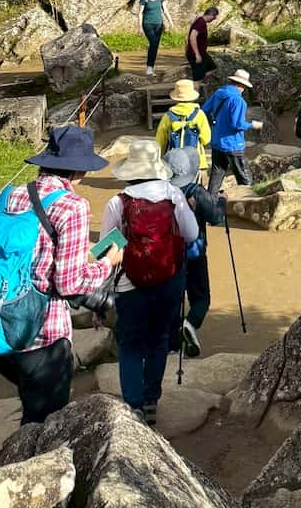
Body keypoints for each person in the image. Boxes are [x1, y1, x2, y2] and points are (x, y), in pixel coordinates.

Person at [0, 126, 122, 424]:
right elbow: (69, 284)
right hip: (40, 335)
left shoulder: (4, 197)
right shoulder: (72, 207)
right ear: (80, 170)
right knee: (44, 423)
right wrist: (107, 263)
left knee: (29, 398)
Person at [101, 139, 198, 427]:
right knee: (158, 341)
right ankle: (151, 399)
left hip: (130, 285)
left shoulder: (118, 202)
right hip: (168, 281)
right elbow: (191, 234)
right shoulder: (173, 195)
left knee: (130, 345)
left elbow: (107, 247)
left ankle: (133, 406)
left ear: (130, 169)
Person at [165, 148, 226, 359]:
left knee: (173, 299)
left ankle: (171, 345)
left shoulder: (162, 192)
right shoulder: (196, 191)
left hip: (168, 256)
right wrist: (222, 201)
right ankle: (190, 324)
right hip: (195, 252)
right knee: (201, 298)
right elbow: (216, 217)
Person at [205, 69, 263, 196]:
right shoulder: (238, 101)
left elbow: (205, 110)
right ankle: (248, 201)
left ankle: (210, 202)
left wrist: (216, 123)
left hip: (216, 142)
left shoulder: (219, 93)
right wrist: (253, 125)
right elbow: (237, 124)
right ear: (242, 86)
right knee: (244, 178)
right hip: (233, 144)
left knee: (216, 175)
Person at [154, 78, 211, 175]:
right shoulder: (199, 114)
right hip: (196, 160)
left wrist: (161, 157)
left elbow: (160, 140)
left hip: (174, 160)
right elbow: (206, 139)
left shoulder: (168, 115)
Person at [137, 0, 174, 76]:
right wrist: (139, 27)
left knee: (155, 46)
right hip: (147, 24)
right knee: (153, 44)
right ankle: (149, 68)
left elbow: (165, 11)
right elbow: (140, 14)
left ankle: (151, 68)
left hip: (159, 24)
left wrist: (170, 22)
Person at [186, 6, 220, 82]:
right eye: (214, 18)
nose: (213, 20)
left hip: (202, 53)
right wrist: (197, 54)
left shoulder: (201, 22)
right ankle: (196, 86)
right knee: (197, 80)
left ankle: (201, 81)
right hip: (195, 55)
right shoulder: (200, 22)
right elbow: (192, 36)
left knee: (213, 67)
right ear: (211, 15)